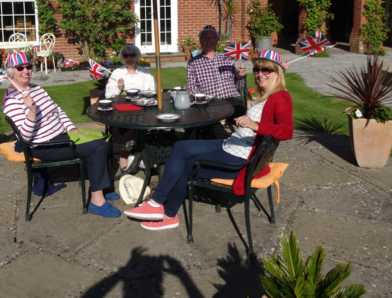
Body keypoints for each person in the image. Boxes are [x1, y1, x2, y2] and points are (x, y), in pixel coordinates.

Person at [124, 50, 293, 230]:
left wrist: (255, 125)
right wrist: (249, 123)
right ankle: (158, 206)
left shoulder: (280, 97)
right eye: (258, 69)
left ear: (277, 72)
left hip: (240, 160)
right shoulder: (270, 95)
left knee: (184, 164)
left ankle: (166, 212)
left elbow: (287, 131)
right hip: (232, 144)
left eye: (266, 70)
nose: (260, 74)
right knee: (181, 147)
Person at [2, 51, 121, 218]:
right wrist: (32, 111)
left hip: (62, 136)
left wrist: (72, 128)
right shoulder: (11, 101)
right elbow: (25, 137)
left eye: (28, 66)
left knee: (104, 138)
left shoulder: (36, 89)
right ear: (11, 72)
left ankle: (102, 186)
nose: (25, 71)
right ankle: (97, 201)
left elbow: (57, 109)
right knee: (98, 146)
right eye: (20, 68)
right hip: (43, 145)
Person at [105, 44, 157, 171]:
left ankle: (140, 155)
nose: (129, 58)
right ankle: (127, 156)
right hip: (124, 108)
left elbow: (155, 91)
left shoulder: (145, 73)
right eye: (126, 55)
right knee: (133, 122)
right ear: (122, 58)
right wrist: (119, 87)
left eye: (132, 55)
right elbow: (108, 95)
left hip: (143, 107)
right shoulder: (117, 73)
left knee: (148, 120)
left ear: (137, 57)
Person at [186, 25, 247, 118]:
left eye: (212, 37)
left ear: (217, 40)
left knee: (240, 111)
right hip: (210, 101)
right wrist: (202, 99)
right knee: (204, 117)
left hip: (231, 98)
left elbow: (238, 88)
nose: (209, 40)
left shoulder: (227, 59)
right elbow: (191, 88)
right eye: (205, 37)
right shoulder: (193, 63)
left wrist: (240, 77)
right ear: (200, 40)